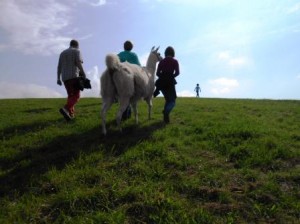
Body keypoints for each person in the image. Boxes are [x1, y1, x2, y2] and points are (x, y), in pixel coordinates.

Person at [57, 39, 86, 121]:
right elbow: (78, 63)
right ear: (77, 45)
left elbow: (59, 66)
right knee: (76, 96)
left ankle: (70, 115)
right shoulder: (77, 51)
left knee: (71, 96)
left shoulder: (62, 53)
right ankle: (65, 109)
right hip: (74, 76)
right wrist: (83, 73)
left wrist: (58, 78)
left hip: (65, 78)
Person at [117, 40, 141, 120]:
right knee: (130, 96)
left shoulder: (119, 55)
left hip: (120, 78)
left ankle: (126, 114)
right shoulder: (134, 55)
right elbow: (138, 67)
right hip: (130, 78)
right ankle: (125, 115)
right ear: (131, 47)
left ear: (124, 47)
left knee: (123, 96)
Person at [155, 46, 180, 123]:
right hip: (170, 83)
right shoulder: (175, 61)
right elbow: (177, 72)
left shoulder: (161, 62)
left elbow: (157, 73)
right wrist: (171, 76)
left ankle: (166, 120)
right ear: (173, 53)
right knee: (172, 101)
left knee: (167, 99)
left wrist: (163, 77)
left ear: (165, 53)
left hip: (161, 83)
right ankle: (166, 112)